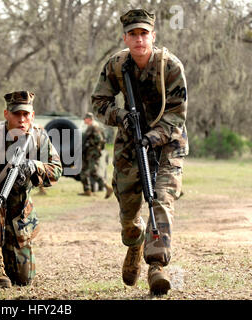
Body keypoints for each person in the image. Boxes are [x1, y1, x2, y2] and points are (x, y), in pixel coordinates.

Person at [91, 9, 188, 295]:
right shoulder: (116, 64)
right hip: (130, 143)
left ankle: (157, 267)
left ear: (152, 36)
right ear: (125, 37)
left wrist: (152, 137)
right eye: (132, 34)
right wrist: (120, 116)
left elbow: (176, 115)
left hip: (168, 142)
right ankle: (134, 243)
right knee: (128, 211)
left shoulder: (170, 66)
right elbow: (99, 102)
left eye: (143, 33)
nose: (138, 39)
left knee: (161, 200)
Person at [0, 90, 63, 288]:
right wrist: (9, 169)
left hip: (19, 211)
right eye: (16, 114)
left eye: (26, 114)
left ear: (32, 116)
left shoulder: (39, 138)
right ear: (6, 114)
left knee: (23, 279)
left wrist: (34, 166)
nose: (21, 119)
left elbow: (57, 170)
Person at [79, 112, 113, 198]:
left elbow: (99, 139)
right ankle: (87, 191)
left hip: (92, 154)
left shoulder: (93, 127)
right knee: (83, 171)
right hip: (89, 153)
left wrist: (93, 146)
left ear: (89, 119)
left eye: (85, 119)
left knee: (93, 172)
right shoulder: (95, 127)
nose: (84, 120)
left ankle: (107, 187)